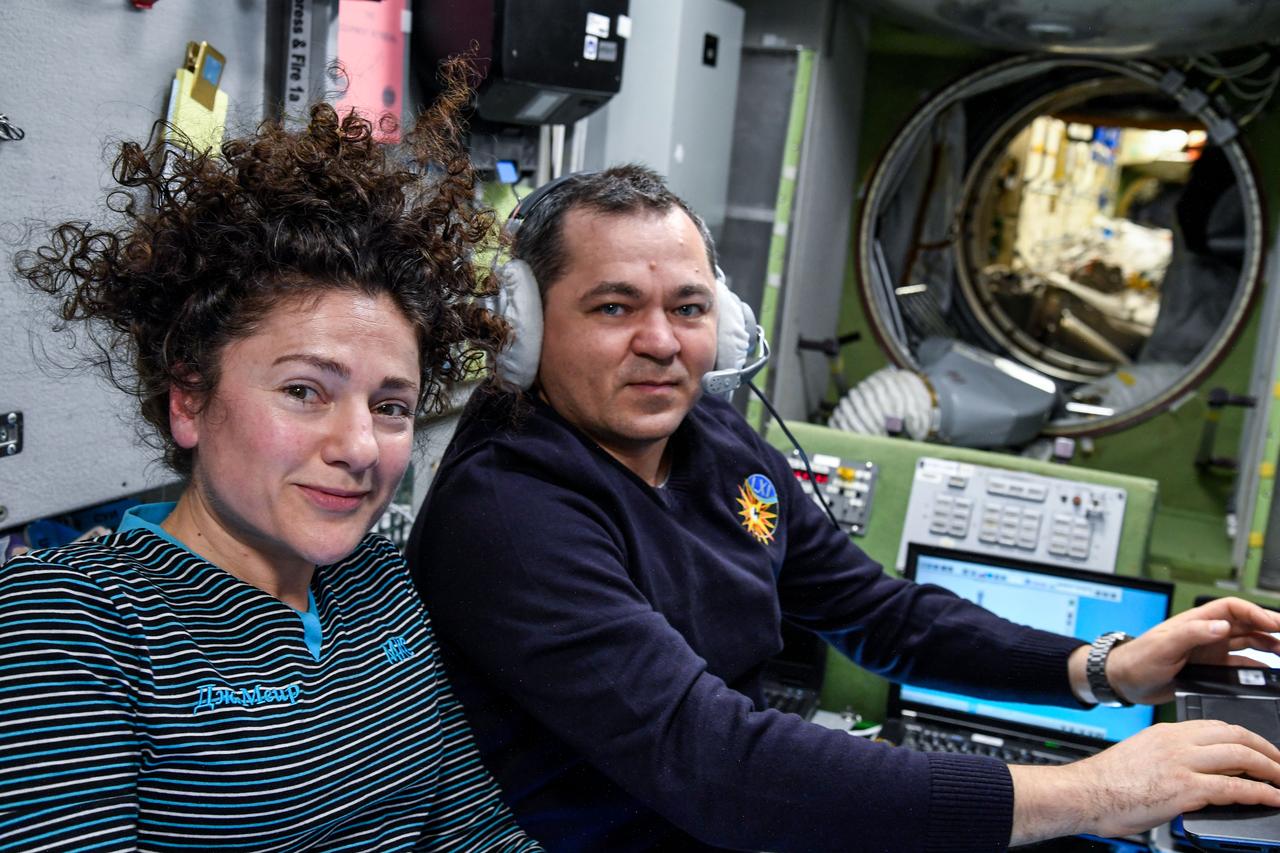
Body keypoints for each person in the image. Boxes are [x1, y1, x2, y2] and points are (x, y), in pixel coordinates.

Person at [408, 164, 1280, 852]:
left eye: (688, 307)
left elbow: (878, 613)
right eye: (613, 307)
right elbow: (717, 767)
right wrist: (1093, 792)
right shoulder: (509, 512)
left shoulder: (713, 437)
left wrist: (1102, 668)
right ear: (519, 329)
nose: (663, 342)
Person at [1, 64, 541, 852]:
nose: (359, 446)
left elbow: (473, 830)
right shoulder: (71, 625)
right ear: (190, 399)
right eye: (304, 391)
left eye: (390, 406)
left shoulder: (381, 585)